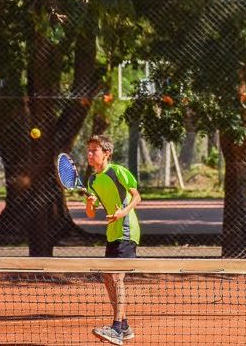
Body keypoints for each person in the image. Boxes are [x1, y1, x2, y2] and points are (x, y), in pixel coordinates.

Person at [85, 135, 142, 345]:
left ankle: (116, 328)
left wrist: (122, 213)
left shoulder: (117, 171)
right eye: (89, 151)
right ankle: (125, 326)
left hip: (127, 230)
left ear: (106, 153)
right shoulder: (92, 181)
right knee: (107, 278)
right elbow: (91, 213)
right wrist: (90, 203)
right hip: (112, 233)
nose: (90, 154)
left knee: (117, 277)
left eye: (95, 150)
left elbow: (137, 197)